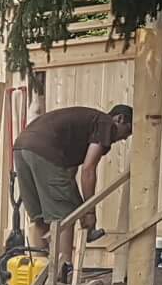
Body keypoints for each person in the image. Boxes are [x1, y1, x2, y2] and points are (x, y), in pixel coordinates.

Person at [11, 102, 133, 271]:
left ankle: (40, 272)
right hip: (44, 150)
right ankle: (63, 273)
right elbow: (88, 170)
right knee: (65, 216)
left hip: (21, 147)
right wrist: (89, 211)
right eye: (127, 131)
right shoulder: (106, 125)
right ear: (119, 119)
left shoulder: (84, 125)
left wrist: (80, 206)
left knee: (40, 217)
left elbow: (67, 175)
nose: (125, 138)